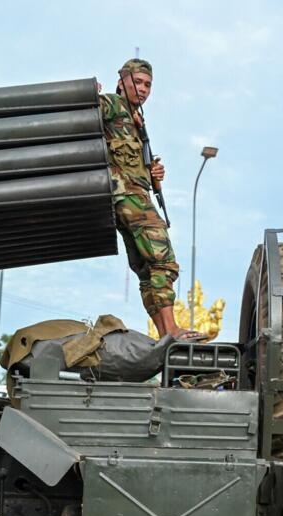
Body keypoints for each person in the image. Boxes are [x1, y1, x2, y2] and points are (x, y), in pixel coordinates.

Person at [100, 58, 202, 341]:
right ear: (122, 81)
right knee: (163, 261)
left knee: (147, 271)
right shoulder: (112, 104)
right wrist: (86, 95)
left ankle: (164, 334)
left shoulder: (136, 120)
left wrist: (152, 171)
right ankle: (171, 330)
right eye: (138, 82)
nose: (143, 89)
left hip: (133, 193)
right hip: (127, 195)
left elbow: (127, 155)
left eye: (148, 85)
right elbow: (86, 111)